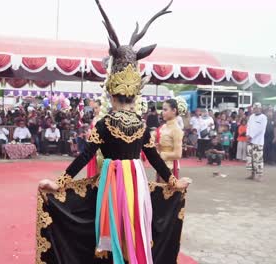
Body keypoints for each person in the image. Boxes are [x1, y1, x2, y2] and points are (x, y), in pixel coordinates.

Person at [36, 2, 191, 262]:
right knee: (136, 226)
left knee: (109, 228)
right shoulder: (141, 125)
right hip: (137, 182)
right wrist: (174, 183)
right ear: (135, 94)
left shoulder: (105, 123)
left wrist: (59, 182)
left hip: (111, 182)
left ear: (111, 92)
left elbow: (85, 156)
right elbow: (153, 159)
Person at [152, 98, 186, 181]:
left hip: (170, 168)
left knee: (166, 193)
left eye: (165, 109)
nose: (162, 112)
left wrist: (161, 155)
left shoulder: (176, 130)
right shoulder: (163, 127)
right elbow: (152, 136)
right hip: (160, 165)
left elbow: (178, 154)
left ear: (174, 110)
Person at [246, 102, 268, 181]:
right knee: (250, 159)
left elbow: (260, 129)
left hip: (258, 141)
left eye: (257, 108)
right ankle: (252, 174)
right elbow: (248, 126)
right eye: (254, 108)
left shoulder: (263, 117)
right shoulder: (251, 116)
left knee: (258, 159)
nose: (255, 109)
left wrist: (251, 136)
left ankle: (260, 175)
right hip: (250, 140)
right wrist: (247, 135)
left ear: (260, 108)